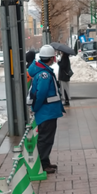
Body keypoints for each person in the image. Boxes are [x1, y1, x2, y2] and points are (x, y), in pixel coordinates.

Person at [28, 45, 65, 174]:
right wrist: (36, 108)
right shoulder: (45, 74)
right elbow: (41, 94)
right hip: (46, 112)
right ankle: (43, 163)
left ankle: (46, 161)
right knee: (45, 139)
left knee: (46, 138)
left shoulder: (42, 71)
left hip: (47, 111)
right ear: (52, 58)